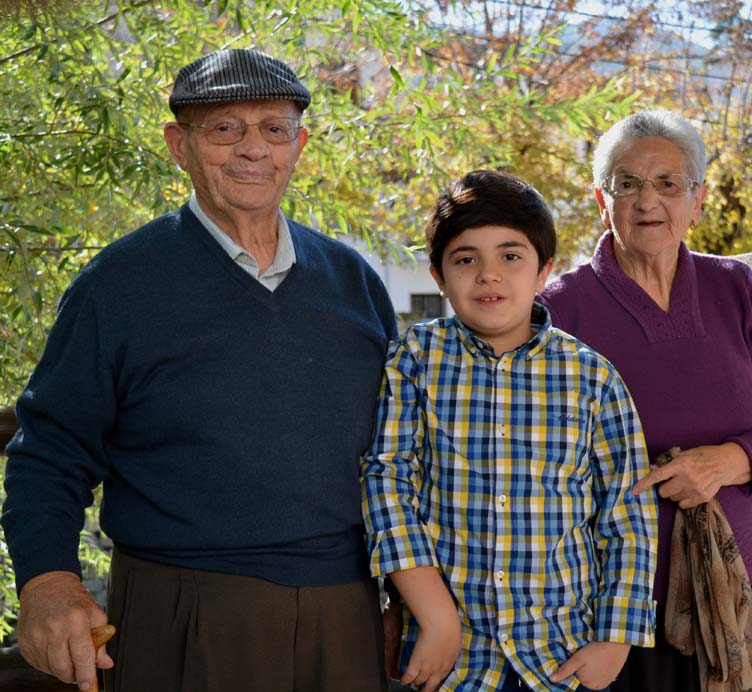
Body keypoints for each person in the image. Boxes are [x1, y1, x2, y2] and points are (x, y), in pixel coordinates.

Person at [1, 48, 396, 692]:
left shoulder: (353, 281)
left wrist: (405, 593)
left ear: (298, 146)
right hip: (184, 612)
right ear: (178, 146)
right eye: (224, 128)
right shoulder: (117, 285)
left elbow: (400, 456)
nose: (253, 149)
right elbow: (51, 449)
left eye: (274, 129)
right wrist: (47, 581)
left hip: (348, 612)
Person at [539, 109, 752, 692]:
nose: (648, 200)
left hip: (747, 587)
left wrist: (729, 462)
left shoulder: (734, 286)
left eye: (668, 183)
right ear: (602, 200)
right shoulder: (560, 311)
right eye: (628, 183)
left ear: (697, 201)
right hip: (622, 608)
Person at [362, 169, 658, 692]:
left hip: (561, 659)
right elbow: (387, 482)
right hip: (449, 663)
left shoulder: (592, 378)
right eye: (466, 259)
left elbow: (627, 514)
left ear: (544, 271)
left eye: (510, 256)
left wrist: (614, 642)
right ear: (438, 276)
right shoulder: (414, 360)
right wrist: (436, 617)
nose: (489, 275)